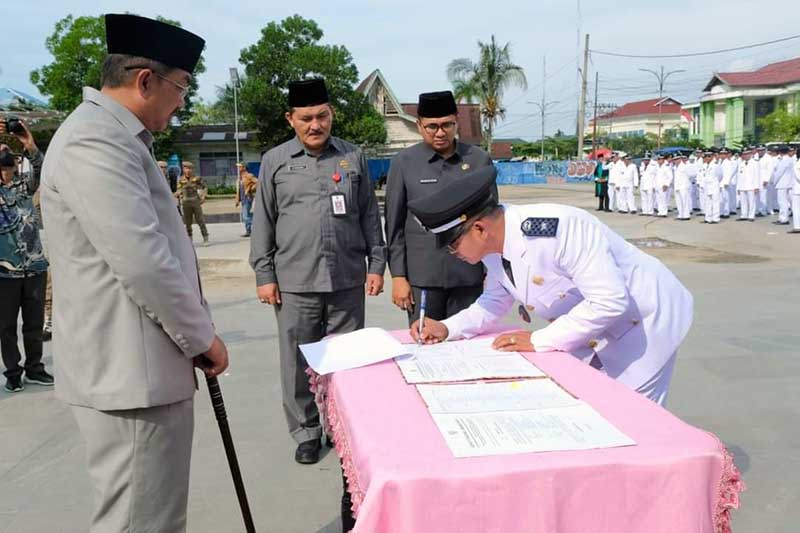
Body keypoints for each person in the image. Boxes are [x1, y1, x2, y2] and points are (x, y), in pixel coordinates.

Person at [40, 14, 229, 532]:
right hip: (131, 375)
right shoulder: (95, 141)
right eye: (182, 87)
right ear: (146, 80)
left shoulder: (116, 137)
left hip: (141, 368)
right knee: (141, 521)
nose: (183, 101)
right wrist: (201, 337)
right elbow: (144, 260)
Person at [406, 165, 693, 406]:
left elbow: (610, 301)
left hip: (642, 322)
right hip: (591, 331)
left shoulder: (559, 229)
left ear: (480, 229)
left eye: (453, 244)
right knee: (596, 409)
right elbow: (494, 300)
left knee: (635, 416)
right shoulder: (493, 248)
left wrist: (539, 340)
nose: (452, 253)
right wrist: (448, 328)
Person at [249, 78, 386, 464]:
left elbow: (368, 216)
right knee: (296, 361)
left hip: (346, 278)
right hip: (294, 282)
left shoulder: (352, 157)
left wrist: (376, 264)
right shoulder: (276, 161)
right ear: (290, 119)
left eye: (322, 116)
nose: (315, 125)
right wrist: (264, 274)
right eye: (306, 118)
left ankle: (344, 428)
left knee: (346, 361)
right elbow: (264, 221)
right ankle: (307, 432)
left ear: (332, 115)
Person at [384, 91, 494, 324]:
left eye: (447, 125)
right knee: (424, 344)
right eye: (432, 126)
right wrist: (399, 277)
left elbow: (493, 221)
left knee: (466, 346)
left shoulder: (478, 160)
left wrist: (492, 272)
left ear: (456, 121)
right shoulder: (403, 163)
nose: (440, 132)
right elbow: (394, 227)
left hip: (469, 276)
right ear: (419, 125)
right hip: (423, 277)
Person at [0, 123, 53, 393]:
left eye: (8, 168)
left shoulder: (23, 188)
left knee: (33, 325)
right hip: (4, 272)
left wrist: (29, 144)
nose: (5, 174)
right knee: (6, 326)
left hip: (34, 267)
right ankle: (12, 372)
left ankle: (35, 368)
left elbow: (44, 169)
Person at [175, 161, 209, 244]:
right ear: (183, 169)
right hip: (186, 202)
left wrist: (203, 197)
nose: (188, 170)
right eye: (186, 168)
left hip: (195, 201)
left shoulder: (196, 178)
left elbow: (204, 187)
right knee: (187, 222)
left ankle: (205, 237)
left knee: (200, 220)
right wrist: (176, 196)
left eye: (190, 169)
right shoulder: (180, 180)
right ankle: (189, 239)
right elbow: (179, 190)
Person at [771, 145, 794, 226]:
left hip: (782, 183)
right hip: (789, 183)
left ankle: (784, 219)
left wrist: (774, 182)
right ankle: (782, 218)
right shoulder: (790, 159)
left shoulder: (784, 160)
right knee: (786, 201)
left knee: (782, 202)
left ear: (780, 152)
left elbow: (779, 173)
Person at [235, 163, 257, 237]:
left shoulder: (249, 175)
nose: (238, 168)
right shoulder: (240, 177)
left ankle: (259, 225)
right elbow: (238, 190)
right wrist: (237, 200)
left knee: (245, 217)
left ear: (244, 167)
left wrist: (251, 188)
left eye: (239, 167)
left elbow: (258, 182)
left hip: (247, 198)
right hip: (243, 199)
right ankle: (248, 232)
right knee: (246, 214)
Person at [736, 148, 759, 222]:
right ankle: (744, 215)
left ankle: (751, 216)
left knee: (751, 201)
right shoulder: (741, 164)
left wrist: (756, 186)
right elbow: (739, 176)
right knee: (743, 201)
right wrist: (738, 187)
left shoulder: (755, 163)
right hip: (742, 186)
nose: (746, 156)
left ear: (751, 154)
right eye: (744, 154)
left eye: (747, 154)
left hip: (751, 186)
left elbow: (757, 176)